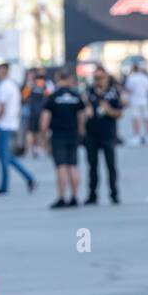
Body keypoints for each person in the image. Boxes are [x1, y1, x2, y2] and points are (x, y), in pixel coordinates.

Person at [40, 67, 85, 208]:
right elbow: (82, 116)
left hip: (58, 135)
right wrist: (81, 132)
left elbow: (45, 119)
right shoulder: (76, 95)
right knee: (73, 165)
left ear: (58, 78)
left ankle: (61, 197)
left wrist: (43, 136)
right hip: (73, 134)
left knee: (61, 166)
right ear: (70, 79)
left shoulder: (53, 96)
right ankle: (75, 197)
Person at [0, 62, 35, 194]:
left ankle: (5, 186)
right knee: (7, 156)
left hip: (4, 125)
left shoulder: (3, 87)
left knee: (4, 157)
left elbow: (2, 108)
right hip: (10, 124)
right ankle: (28, 178)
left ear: (4, 71)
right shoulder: (12, 85)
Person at [83, 65, 122, 205]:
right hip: (91, 133)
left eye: (100, 77)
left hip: (108, 133)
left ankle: (114, 193)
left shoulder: (113, 92)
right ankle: (92, 194)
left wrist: (108, 110)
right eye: (95, 78)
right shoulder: (89, 91)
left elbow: (119, 113)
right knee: (92, 166)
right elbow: (82, 109)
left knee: (111, 165)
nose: (98, 81)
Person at [124, 60, 148, 145]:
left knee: (136, 118)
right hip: (145, 100)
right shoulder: (145, 77)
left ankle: (136, 136)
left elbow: (129, 89)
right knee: (147, 118)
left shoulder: (131, 78)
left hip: (135, 100)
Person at [24, 68, 51, 157]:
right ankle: (39, 148)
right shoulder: (45, 87)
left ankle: (30, 149)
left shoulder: (31, 87)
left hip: (32, 112)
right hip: (42, 113)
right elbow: (50, 98)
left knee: (30, 131)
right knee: (40, 131)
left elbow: (23, 97)